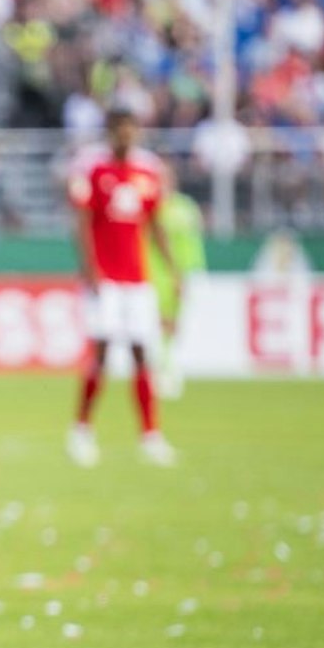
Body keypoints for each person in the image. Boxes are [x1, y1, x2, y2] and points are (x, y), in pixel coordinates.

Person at [65, 108, 178, 468]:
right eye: (120, 130)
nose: (126, 136)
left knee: (142, 353)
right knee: (101, 352)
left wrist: (171, 266)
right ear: (110, 133)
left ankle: (150, 435)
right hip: (107, 279)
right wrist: (91, 269)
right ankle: (81, 430)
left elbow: (154, 223)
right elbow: (82, 224)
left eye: (131, 130)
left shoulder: (147, 172)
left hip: (137, 279)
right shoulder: (95, 171)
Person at [147, 188, 207, 399]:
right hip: (160, 270)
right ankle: (163, 366)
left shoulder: (186, 205)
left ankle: (169, 363)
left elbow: (195, 235)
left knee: (175, 321)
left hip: (187, 267)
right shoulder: (155, 206)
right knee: (162, 319)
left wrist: (190, 268)